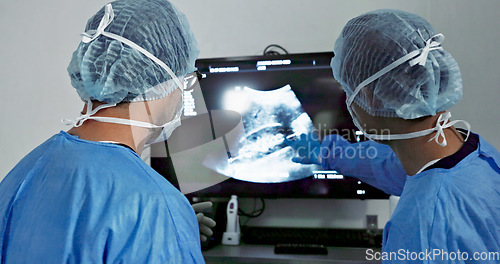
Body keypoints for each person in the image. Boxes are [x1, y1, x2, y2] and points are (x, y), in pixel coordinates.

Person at [0, 0, 214, 262]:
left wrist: (171, 230)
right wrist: (170, 229)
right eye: (187, 78)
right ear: (165, 76)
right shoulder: (154, 204)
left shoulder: (24, 173)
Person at [287, 9, 500, 262]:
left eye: (347, 88)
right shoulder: (472, 152)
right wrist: (329, 152)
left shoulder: (421, 232)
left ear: (369, 96)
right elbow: (391, 165)